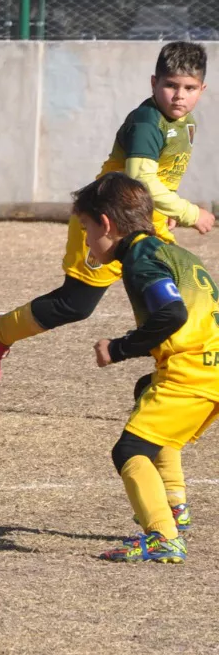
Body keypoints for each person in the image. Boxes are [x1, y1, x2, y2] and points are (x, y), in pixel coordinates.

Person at [0, 42, 213, 383]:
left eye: (189, 88)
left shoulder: (185, 122)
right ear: (153, 83)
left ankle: (176, 375)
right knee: (76, 304)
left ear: (201, 89)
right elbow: (141, 178)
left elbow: (160, 177)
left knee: (182, 292)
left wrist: (166, 207)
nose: (179, 95)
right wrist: (190, 212)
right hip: (107, 222)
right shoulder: (148, 123)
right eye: (170, 85)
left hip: (140, 220)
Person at [70, 173, 217, 563]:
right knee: (145, 392)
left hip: (192, 372)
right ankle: (173, 506)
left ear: (106, 224)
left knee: (129, 449)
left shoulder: (141, 259)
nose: (86, 240)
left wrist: (117, 348)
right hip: (210, 366)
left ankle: (163, 537)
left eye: (85, 228)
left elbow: (171, 313)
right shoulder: (177, 253)